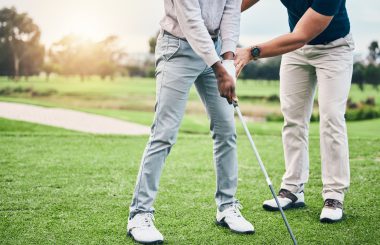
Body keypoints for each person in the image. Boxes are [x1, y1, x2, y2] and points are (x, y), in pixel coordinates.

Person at [127, 0, 254, 243]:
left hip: (215, 49)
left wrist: (227, 60)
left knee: (227, 130)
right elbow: (191, 21)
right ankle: (139, 214)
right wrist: (219, 69)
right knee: (164, 133)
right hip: (178, 48)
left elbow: (231, 11)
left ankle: (227, 206)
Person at [235, 0, 354, 223]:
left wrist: (252, 52)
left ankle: (334, 195)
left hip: (334, 48)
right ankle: (292, 189)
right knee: (293, 119)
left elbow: (302, 34)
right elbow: (237, 4)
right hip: (297, 49)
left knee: (331, 118)